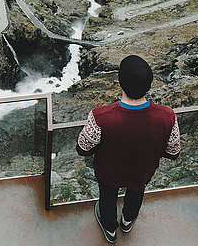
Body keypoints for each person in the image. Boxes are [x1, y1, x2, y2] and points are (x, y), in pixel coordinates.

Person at [76, 55, 181, 243]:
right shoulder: (167, 116)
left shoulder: (101, 116)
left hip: (109, 172)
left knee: (107, 197)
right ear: (149, 84)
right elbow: (173, 152)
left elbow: (83, 148)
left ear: (120, 82)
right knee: (136, 192)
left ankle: (109, 227)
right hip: (142, 171)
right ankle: (127, 220)